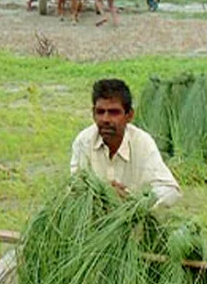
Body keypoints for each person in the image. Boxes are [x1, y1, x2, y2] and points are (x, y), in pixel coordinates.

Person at [71, 79, 182, 208]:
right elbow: (75, 188)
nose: (105, 119)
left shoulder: (142, 143)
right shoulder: (84, 142)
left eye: (114, 112)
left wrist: (134, 200)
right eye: (100, 112)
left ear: (129, 115)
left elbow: (171, 191)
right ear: (93, 114)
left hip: (133, 220)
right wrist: (103, 194)